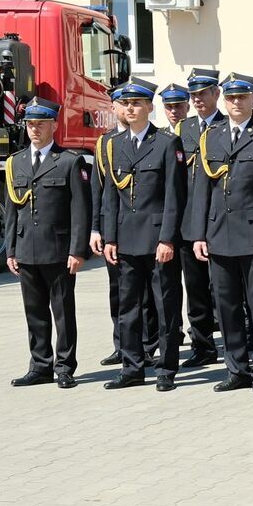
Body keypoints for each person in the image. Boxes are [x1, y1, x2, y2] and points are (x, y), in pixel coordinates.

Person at [192, 73, 253, 394]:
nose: (236, 103)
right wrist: (199, 234)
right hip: (219, 234)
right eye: (231, 98)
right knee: (227, 305)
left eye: (242, 98)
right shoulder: (212, 137)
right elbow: (202, 189)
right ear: (223, 99)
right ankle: (237, 368)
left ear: (252, 99)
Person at [100, 78, 186, 392]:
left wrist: (167, 239)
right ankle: (132, 367)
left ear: (150, 107)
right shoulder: (114, 144)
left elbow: (174, 196)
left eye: (137, 103)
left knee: (165, 307)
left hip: (156, 240)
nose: (131, 108)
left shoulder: (165, 143)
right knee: (128, 308)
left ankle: (166, 370)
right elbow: (110, 195)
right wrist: (110, 238)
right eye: (126, 103)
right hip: (125, 239)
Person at [4, 97, 91, 389]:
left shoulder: (69, 161)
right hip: (27, 248)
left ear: (54, 124)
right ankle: (40, 366)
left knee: (63, 311)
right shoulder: (15, 162)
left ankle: (64, 367)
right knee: (35, 312)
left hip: (58, 250)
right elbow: (11, 210)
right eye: (30, 124)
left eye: (41, 124)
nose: (35, 129)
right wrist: (10, 250)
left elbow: (80, 209)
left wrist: (78, 250)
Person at [91, 93, 156, 367]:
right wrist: (96, 228)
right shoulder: (106, 142)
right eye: (120, 103)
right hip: (114, 227)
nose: (126, 108)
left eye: (132, 103)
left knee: (148, 294)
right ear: (114, 108)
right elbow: (100, 190)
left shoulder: (155, 140)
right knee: (119, 291)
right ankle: (122, 345)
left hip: (146, 229)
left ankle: (148, 344)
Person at [174, 67, 224, 368]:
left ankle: (237, 343)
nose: (197, 100)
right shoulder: (184, 129)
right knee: (194, 289)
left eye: (203, 94)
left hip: (220, 220)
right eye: (193, 95)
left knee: (224, 288)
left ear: (216, 94)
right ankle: (203, 346)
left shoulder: (225, 125)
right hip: (190, 220)